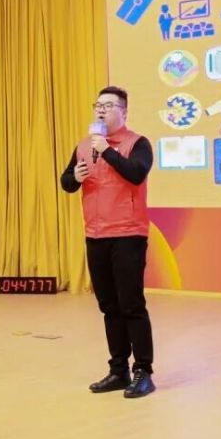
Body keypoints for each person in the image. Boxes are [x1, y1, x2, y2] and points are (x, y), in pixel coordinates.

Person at [60, 86, 156, 399]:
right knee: (109, 307)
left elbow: (137, 173)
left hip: (128, 234)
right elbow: (66, 182)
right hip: (96, 235)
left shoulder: (137, 143)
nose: (101, 109)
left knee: (131, 305)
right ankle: (118, 370)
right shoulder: (84, 145)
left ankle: (143, 371)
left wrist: (108, 151)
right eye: (98, 105)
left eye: (109, 105)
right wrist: (75, 176)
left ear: (123, 112)